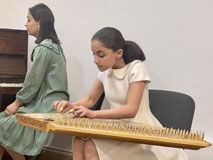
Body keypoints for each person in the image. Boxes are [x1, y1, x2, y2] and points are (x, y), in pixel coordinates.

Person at [53, 27, 188, 160]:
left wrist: (93, 114)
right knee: (78, 140)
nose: (95, 60)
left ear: (118, 53)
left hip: (138, 128)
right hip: (115, 124)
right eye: (93, 54)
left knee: (90, 147)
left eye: (101, 55)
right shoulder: (105, 72)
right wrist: (70, 106)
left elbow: (131, 110)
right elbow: (90, 100)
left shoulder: (136, 68)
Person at [0, 3, 69, 160]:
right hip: (53, 103)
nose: (25, 23)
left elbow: (32, 83)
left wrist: (17, 103)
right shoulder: (55, 46)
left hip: (46, 105)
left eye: (28, 19)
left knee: (1, 126)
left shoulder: (43, 49)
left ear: (39, 23)